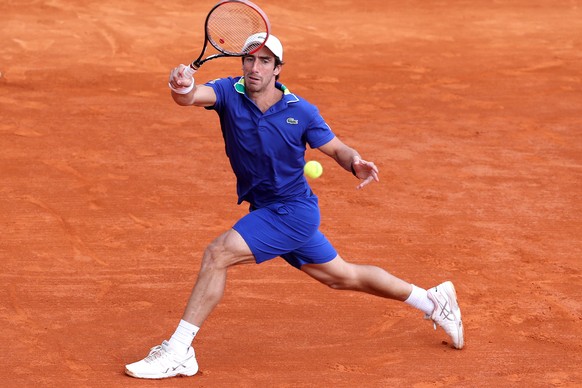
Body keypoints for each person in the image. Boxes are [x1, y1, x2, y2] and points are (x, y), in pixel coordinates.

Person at [125, 33, 464, 379]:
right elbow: (190, 97)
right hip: (266, 210)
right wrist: (181, 86)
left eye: (264, 61)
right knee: (342, 276)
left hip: (292, 212)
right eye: (249, 59)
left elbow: (337, 149)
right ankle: (432, 301)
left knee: (218, 254)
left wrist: (356, 162)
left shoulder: (301, 112)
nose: (254, 68)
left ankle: (179, 350)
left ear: (278, 70)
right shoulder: (228, 92)